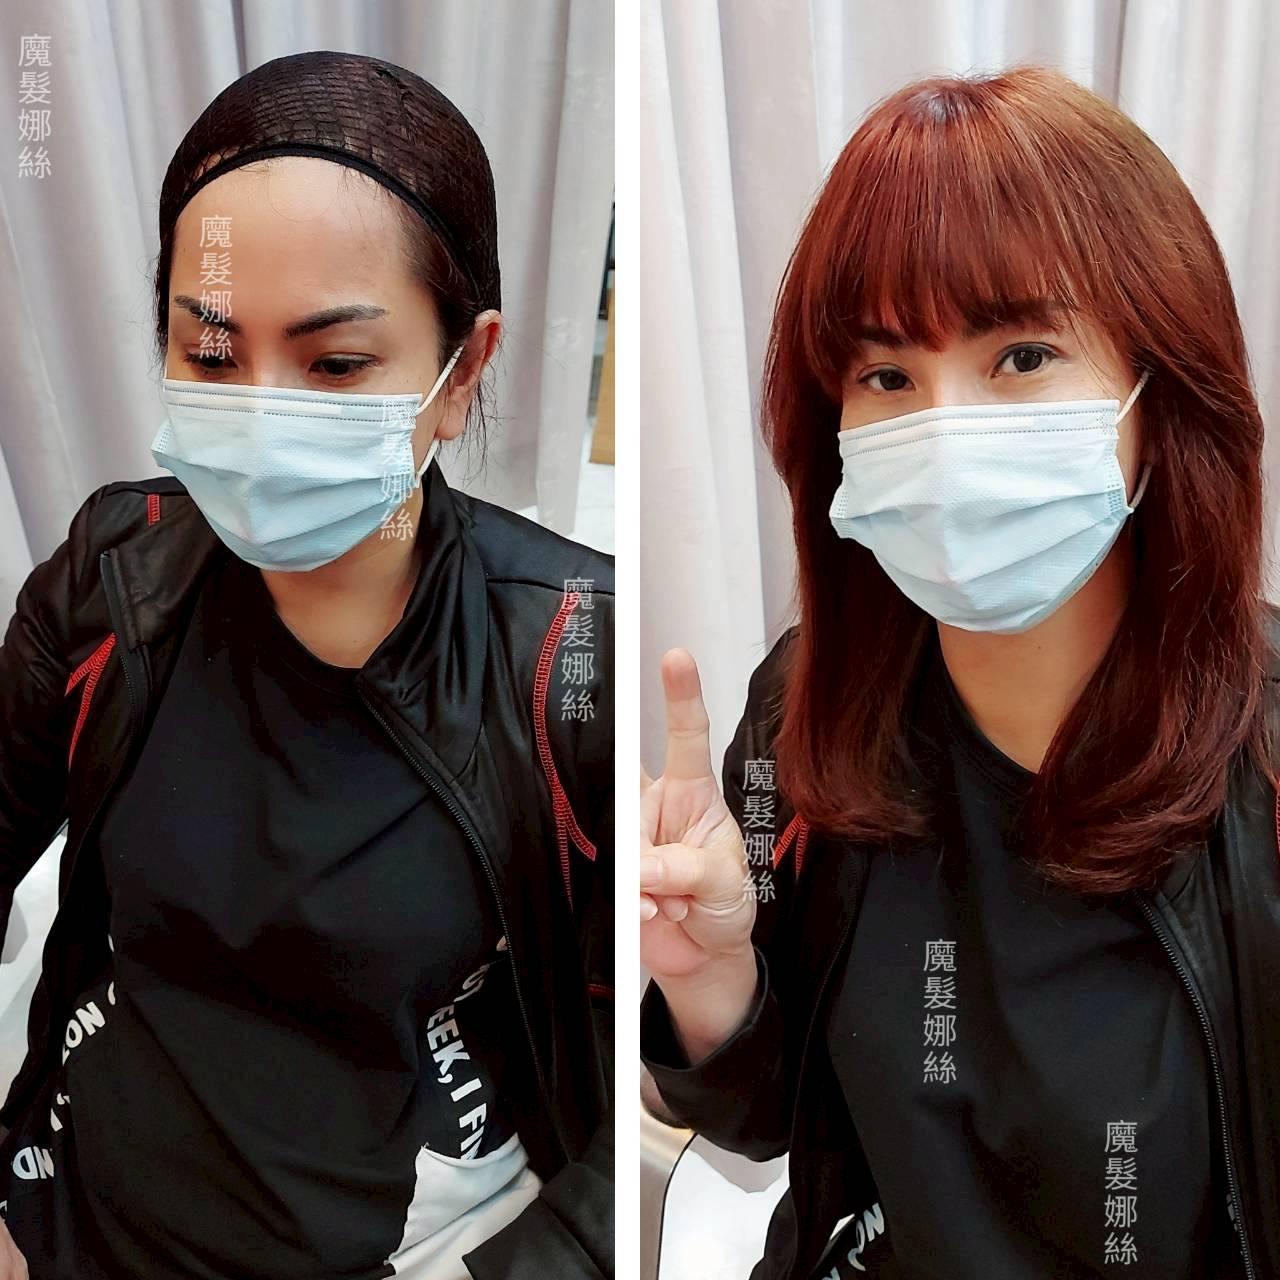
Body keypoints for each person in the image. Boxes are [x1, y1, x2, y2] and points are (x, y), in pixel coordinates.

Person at [640, 65, 1278, 1280]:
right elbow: (767, 1122)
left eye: (1021, 354)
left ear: (1157, 392)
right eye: (884, 376)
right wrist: (709, 981)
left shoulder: (1263, 765)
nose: (944, 428)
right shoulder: (799, 715)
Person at [0, 51, 613, 1280]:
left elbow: (638, 1109)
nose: (263, 413)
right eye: (212, 353)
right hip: (69, 1204)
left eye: (334, 365)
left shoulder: (561, 660)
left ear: (463, 370)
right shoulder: (114, 570)